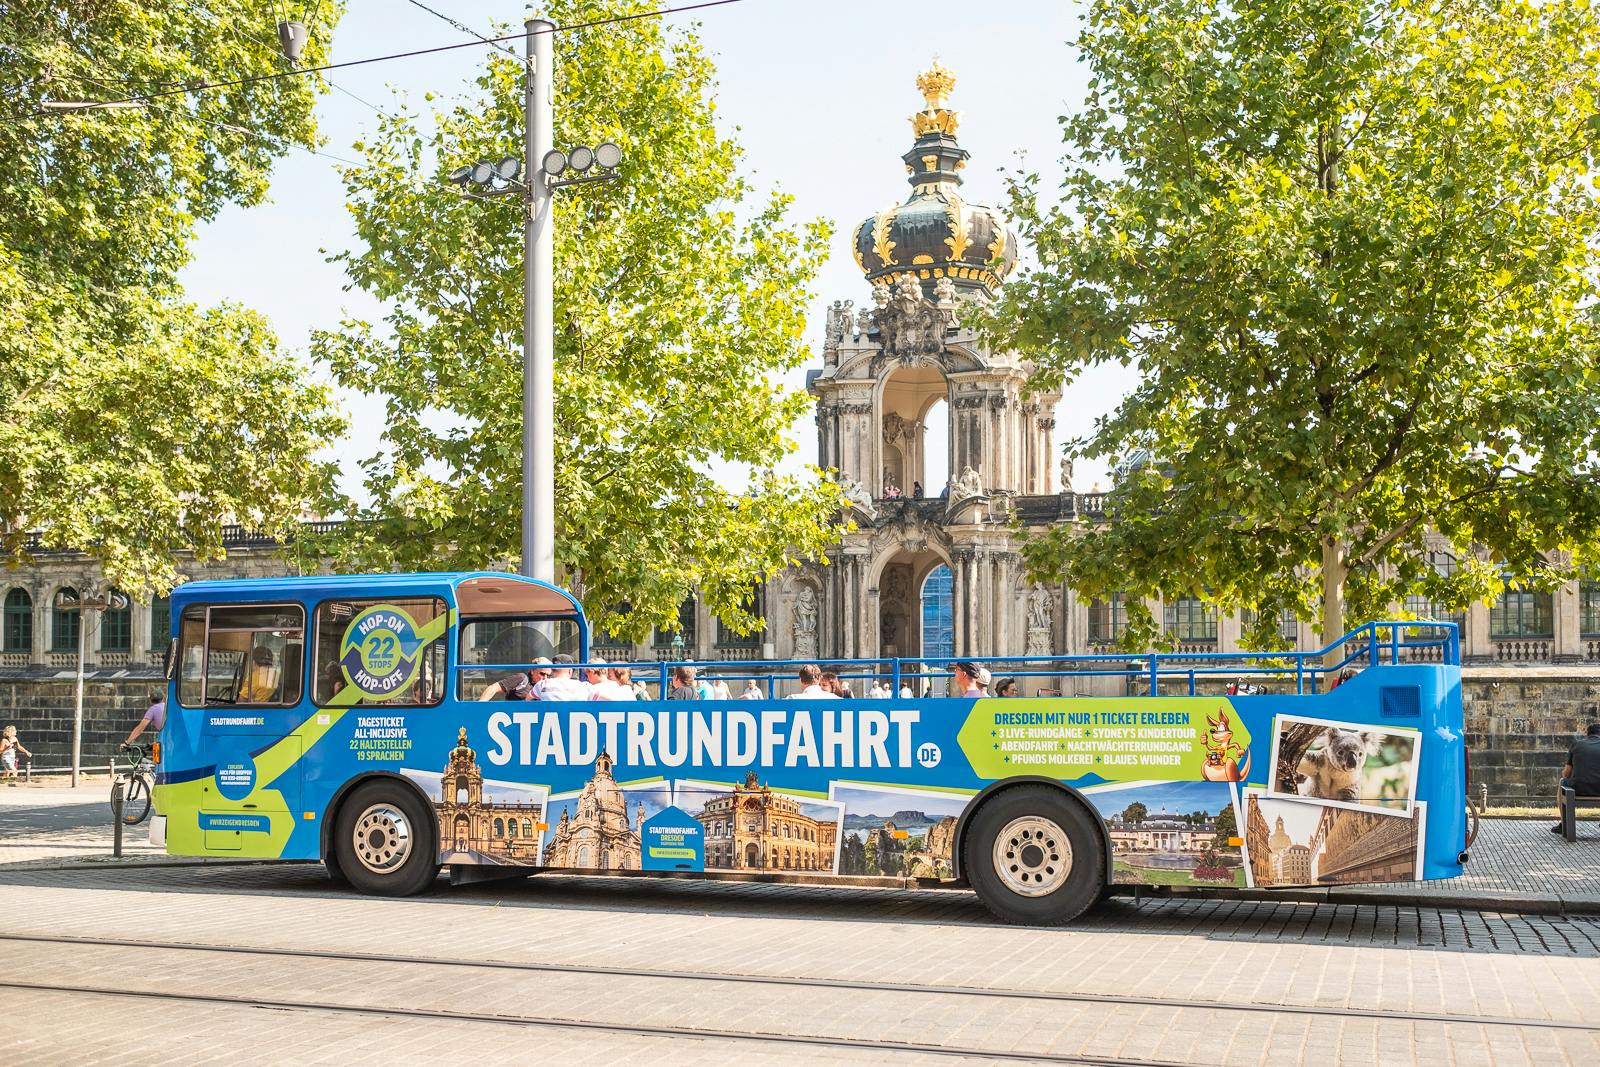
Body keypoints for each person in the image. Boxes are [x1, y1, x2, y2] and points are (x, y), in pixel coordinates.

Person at [1553, 722, 1600, 834]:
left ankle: (1564, 823)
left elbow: (1566, 774)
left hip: (1579, 788)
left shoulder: (1577, 745)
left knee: (1561, 781)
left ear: (1587, 734)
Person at [477, 657, 552, 701]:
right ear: (532, 671)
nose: (545, 678)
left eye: (548, 676)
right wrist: (479, 706)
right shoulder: (521, 678)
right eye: (542, 674)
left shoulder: (549, 685)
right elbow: (493, 688)